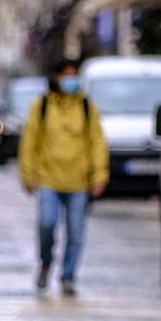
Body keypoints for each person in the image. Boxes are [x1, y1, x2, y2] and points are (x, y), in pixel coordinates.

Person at [18, 57, 108, 295]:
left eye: (74, 75)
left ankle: (68, 275)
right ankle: (45, 261)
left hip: (79, 182)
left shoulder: (87, 107)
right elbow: (30, 141)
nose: (71, 80)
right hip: (48, 179)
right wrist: (27, 174)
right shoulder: (42, 106)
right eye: (66, 75)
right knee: (47, 224)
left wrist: (99, 175)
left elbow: (97, 142)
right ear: (56, 77)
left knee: (76, 232)